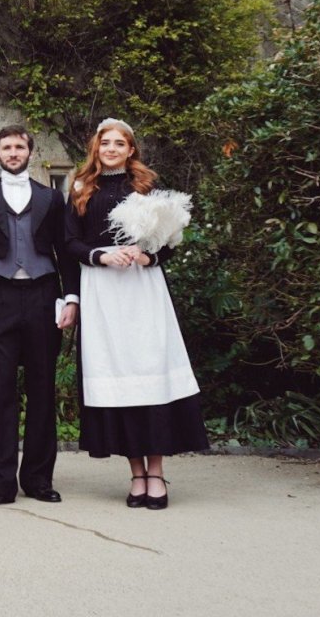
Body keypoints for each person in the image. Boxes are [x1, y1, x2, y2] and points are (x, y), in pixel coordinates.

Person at [64, 118, 209, 510]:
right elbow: (68, 242)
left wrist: (148, 255)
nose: (111, 148)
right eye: (104, 142)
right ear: (96, 147)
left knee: (150, 374)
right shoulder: (80, 188)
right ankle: (136, 474)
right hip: (102, 291)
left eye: (119, 143)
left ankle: (157, 472)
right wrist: (101, 255)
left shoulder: (147, 188)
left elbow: (170, 241)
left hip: (143, 290)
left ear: (131, 150)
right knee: (119, 377)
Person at [0, 125, 79, 509]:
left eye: (19, 146)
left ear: (29, 150)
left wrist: (71, 299)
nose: (12, 152)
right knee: (0, 390)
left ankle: (39, 479)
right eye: (6, 147)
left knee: (42, 389)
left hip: (43, 296)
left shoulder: (52, 199)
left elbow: (66, 250)